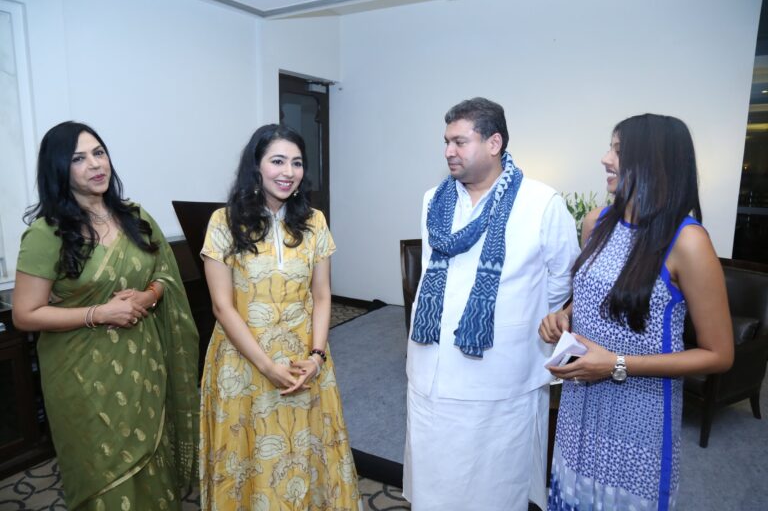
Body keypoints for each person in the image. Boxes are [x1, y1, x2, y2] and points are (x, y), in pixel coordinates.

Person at [539, 114, 734, 510]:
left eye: (619, 151)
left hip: (639, 413)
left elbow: (719, 354)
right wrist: (566, 315)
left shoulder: (688, 242)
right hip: (581, 403)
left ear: (655, 163)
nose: (604, 159)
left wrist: (615, 363)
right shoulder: (597, 222)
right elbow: (600, 295)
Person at [403, 97, 580, 511]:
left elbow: (564, 277)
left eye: (460, 141)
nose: (448, 151)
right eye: (446, 141)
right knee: (435, 473)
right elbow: (433, 268)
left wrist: (520, 317)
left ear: (494, 142)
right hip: (431, 365)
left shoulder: (540, 202)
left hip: (502, 371)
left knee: (495, 481)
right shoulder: (434, 200)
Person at [12, 121, 199, 510]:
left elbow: (165, 275)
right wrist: (100, 312)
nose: (95, 164)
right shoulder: (47, 234)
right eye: (78, 158)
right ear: (58, 169)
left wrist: (149, 297)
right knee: (103, 469)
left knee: (153, 456)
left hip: (144, 364)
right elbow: (25, 314)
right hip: (82, 376)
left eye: (99, 152)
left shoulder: (134, 216)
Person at [198, 124, 361, 510]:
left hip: (305, 358)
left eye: (297, 163)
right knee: (248, 455)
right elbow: (222, 307)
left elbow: (321, 295)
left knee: (304, 450)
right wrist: (266, 365)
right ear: (256, 167)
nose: (288, 172)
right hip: (244, 363)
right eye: (277, 161)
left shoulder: (314, 221)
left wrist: (317, 357)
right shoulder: (223, 222)